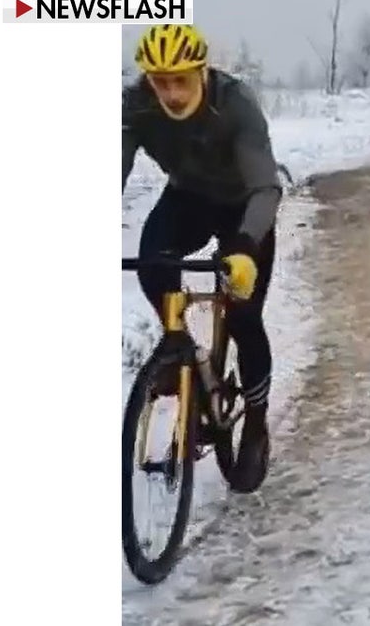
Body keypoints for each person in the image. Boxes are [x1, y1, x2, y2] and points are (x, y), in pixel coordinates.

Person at [122, 24, 283, 494]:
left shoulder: (234, 104)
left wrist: (247, 245)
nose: (171, 92)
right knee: (154, 262)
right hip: (188, 198)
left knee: (243, 316)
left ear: (201, 71)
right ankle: (179, 349)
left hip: (244, 207)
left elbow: (265, 186)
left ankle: (254, 421)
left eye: (181, 80)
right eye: (160, 80)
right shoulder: (136, 104)